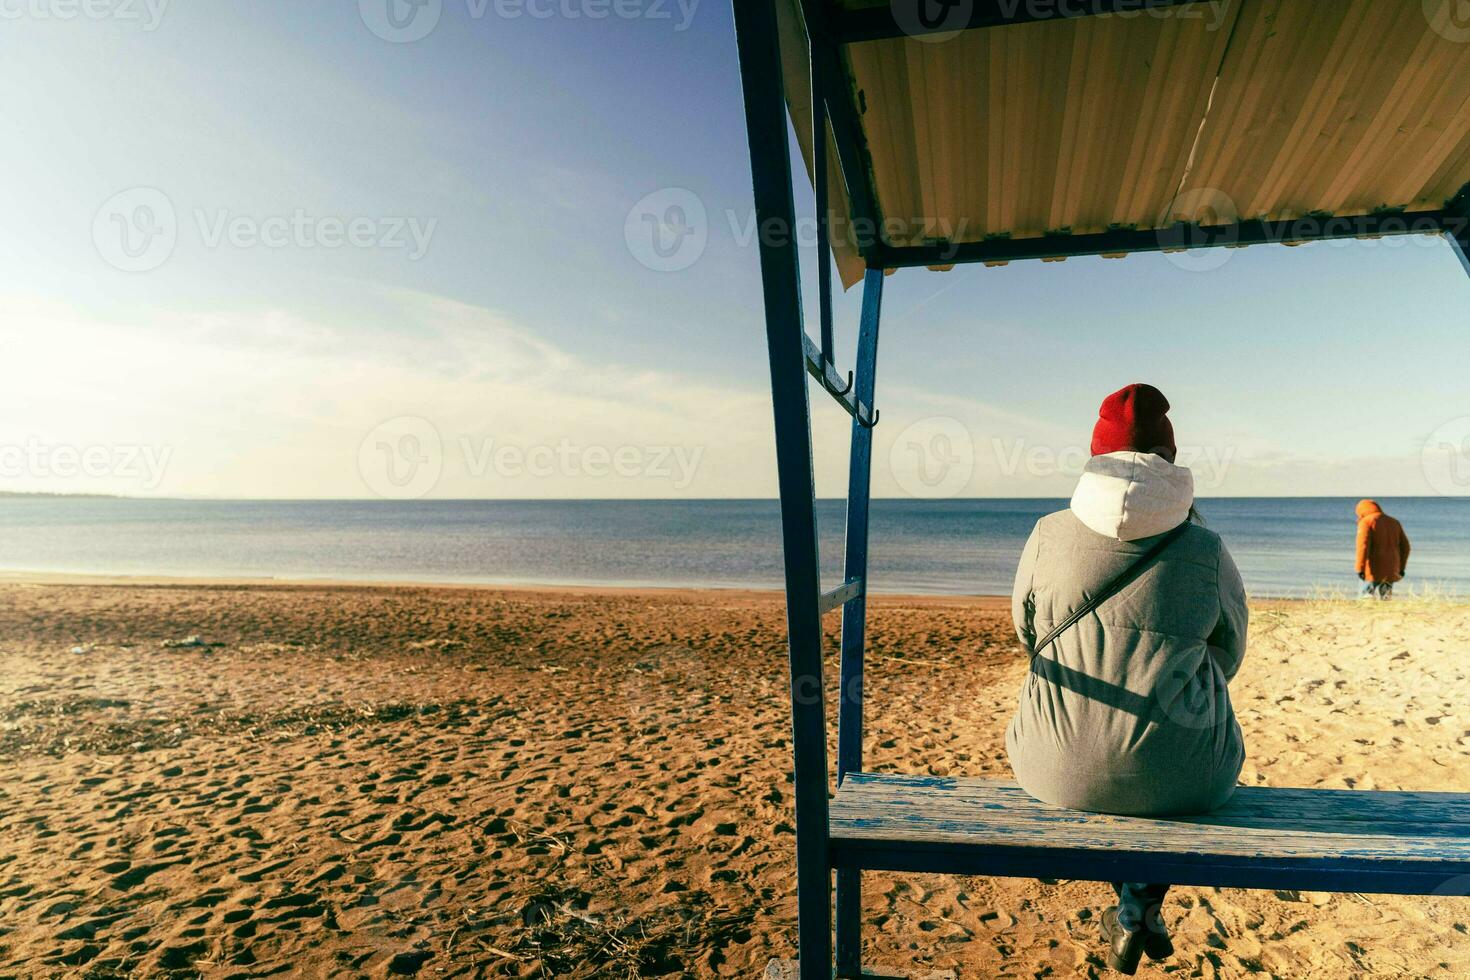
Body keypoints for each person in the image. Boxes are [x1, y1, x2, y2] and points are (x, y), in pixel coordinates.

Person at [1006, 383, 1248, 975]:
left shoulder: (1047, 533)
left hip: (1051, 766)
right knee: (1170, 758)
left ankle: (1134, 907)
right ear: (1170, 459)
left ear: (1095, 459)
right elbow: (1230, 652)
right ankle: (1139, 902)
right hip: (1189, 776)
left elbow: (1025, 631)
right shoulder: (1206, 547)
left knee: (1111, 763)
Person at [1355, 499, 1409, 600]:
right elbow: (1405, 548)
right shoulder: (1394, 522)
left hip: (1372, 570)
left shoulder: (1366, 522)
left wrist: (1360, 568)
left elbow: (1363, 546)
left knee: (1366, 597)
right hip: (1391, 569)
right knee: (1386, 599)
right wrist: (1401, 568)